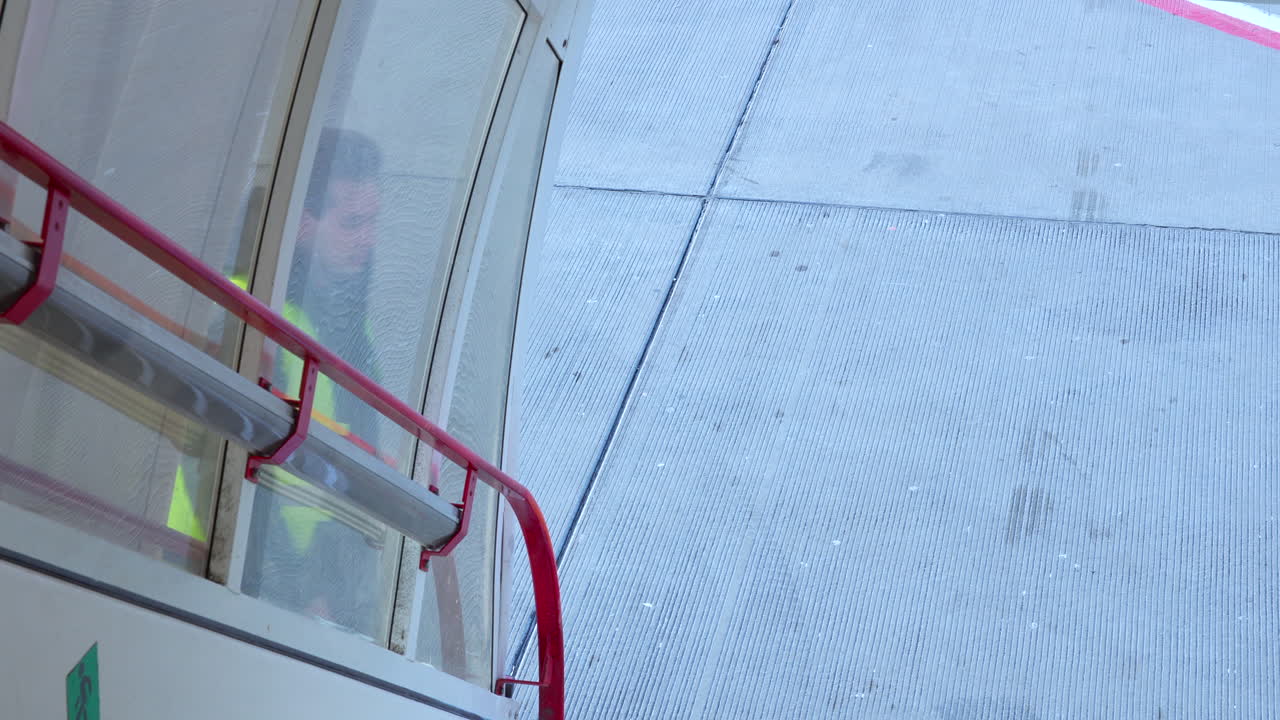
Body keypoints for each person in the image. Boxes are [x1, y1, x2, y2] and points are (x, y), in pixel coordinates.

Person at [168, 128, 389, 637]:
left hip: (304, 595)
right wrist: (297, 596)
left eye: (374, 220)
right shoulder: (250, 321)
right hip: (224, 579)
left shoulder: (347, 316)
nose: (369, 238)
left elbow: (351, 465)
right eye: (354, 222)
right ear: (304, 228)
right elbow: (224, 471)